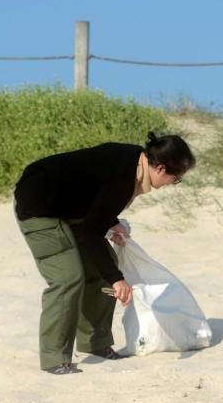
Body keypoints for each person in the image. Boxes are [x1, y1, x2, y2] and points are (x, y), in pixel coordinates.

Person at [14, 132, 196, 375]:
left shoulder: (132, 162)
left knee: (103, 268)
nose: (172, 185)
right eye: (176, 179)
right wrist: (117, 279)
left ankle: (95, 342)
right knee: (68, 277)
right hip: (38, 206)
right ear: (161, 168)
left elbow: (90, 189)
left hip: (68, 207)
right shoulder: (125, 174)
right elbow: (91, 232)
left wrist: (110, 221)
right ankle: (54, 358)